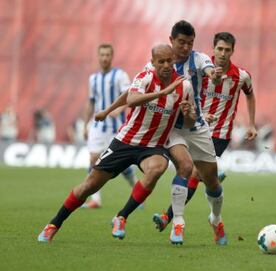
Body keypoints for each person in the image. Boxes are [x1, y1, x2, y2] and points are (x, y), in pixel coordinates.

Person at [37, 44, 195, 244]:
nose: (165, 65)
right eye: (160, 61)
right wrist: (162, 93)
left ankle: (121, 217)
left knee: (158, 167)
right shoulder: (145, 77)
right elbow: (132, 98)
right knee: (89, 186)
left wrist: (190, 114)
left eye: (169, 61)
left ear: (174, 60)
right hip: (125, 141)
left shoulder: (184, 86)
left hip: (153, 146)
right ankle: (53, 224)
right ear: (153, 62)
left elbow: (189, 122)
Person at [152, 32, 257, 232]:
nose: (223, 53)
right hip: (196, 128)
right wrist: (199, 114)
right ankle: (216, 217)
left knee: (193, 171)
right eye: (219, 49)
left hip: (219, 134)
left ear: (233, 51)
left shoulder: (241, 76)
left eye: (227, 50)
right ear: (213, 49)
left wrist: (251, 123)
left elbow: (250, 95)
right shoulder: (202, 72)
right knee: (206, 179)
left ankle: (168, 217)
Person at [145, 21, 229, 245]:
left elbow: (211, 72)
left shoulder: (199, 59)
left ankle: (216, 219)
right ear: (171, 40)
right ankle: (178, 223)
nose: (185, 47)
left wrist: (215, 76)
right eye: (181, 42)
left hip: (196, 126)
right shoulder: (157, 65)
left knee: (212, 181)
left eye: (190, 43)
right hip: (172, 129)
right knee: (184, 167)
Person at [82, 43, 137, 208]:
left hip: (117, 128)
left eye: (107, 55)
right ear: (98, 57)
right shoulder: (93, 79)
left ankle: (136, 188)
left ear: (111, 57)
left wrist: (118, 109)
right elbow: (91, 102)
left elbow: (129, 96)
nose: (105, 58)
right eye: (102, 55)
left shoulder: (120, 75)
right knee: (93, 158)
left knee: (121, 166)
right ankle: (95, 199)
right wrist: (85, 125)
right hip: (98, 127)